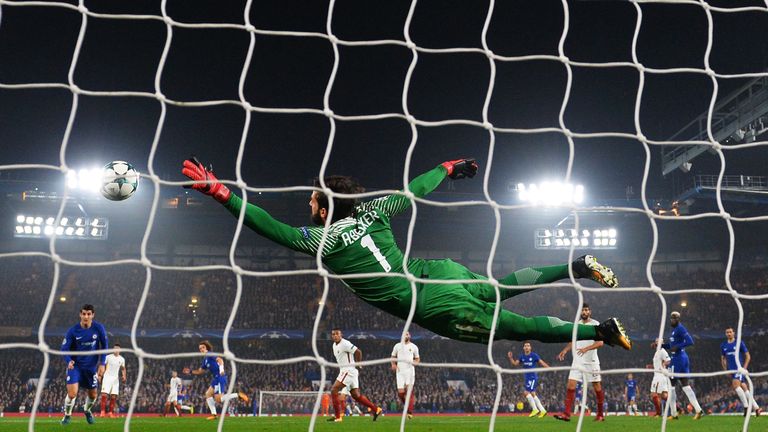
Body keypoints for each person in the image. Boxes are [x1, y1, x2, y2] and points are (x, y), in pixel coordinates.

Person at [181, 157, 631, 348]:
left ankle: (600, 331)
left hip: (427, 302)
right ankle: (574, 265)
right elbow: (413, 190)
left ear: (323, 211)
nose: (308, 205)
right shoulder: (375, 211)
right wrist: (448, 168)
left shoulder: (325, 240)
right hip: (438, 271)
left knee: (515, 328)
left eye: (312, 201)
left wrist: (223, 193)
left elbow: (269, 226)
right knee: (498, 289)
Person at [554, 304, 606, 422]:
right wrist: (565, 350)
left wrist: (586, 349)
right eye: (582, 310)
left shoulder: (596, 324)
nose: (584, 312)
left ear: (590, 312)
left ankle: (600, 414)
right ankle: (567, 414)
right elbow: (573, 341)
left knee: (597, 387)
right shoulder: (577, 324)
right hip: (577, 360)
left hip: (591, 361)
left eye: (586, 310)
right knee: (571, 385)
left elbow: (600, 343)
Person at [60, 304, 109, 425]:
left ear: (93, 315)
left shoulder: (99, 328)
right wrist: (68, 360)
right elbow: (64, 348)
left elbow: (105, 346)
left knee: (93, 395)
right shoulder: (73, 331)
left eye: (88, 314)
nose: (86, 316)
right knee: (72, 394)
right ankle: (67, 415)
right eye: (84, 314)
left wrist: (102, 363)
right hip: (75, 366)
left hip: (91, 368)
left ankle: (87, 410)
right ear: (80, 314)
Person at [654, 311, 703, 420]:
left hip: (678, 359)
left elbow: (690, 341)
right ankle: (699, 410)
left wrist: (679, 347)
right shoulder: (674, 331)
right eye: (671, 318)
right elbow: (671, 346)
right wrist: (661, 345)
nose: (672, 320)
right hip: (681, 358)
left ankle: (674, 414)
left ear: (678, 319)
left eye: (674, 318)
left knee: (671, 386)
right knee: (685, 385)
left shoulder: (680, 328)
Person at [327, 328, 382, 422]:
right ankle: (376, 409)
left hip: (348, 370)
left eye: (337, 334)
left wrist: (359, 364)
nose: (335, 336)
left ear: (341, 335)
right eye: (333, 334)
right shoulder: (334, 345)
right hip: (347, 371)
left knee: (334, 390)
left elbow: (358, 352)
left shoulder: (345, 343)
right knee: (356, 396)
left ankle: (337, 417)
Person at [190, 340, 249, 420]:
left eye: (203, 347)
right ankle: (214, 415)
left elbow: (220, 360)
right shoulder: (205, 359)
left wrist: (221, 369)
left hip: (220, 377)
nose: (201, 350)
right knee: (208, 394)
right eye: (200, 348)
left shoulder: (210, 354)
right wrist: (190, 371)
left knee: (219, 399)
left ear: (206, 347)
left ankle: (238, 395)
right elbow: (200, 371)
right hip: (216, 378)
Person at [720, 327, 762, 416]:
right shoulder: (723, 345)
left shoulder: (739, 343)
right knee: (744, 387)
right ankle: (757, 408)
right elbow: (723, 358)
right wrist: (725, 369)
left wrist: (744, 368)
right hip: (731, 370)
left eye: (730, 332)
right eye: (727, 332)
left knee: (735, 386)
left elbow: (748, 356)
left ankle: (746, 407)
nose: (729, 334)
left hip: (739, 369)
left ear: (733, 333)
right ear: (725, 334)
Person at [507, 341, 549, 418]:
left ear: (530, 348)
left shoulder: (534, 355)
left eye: (528, 346)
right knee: (533, 394)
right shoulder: (521, 356)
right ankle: (543, 410)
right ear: (523, 348)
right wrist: (510, 358)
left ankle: (535, 409)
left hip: (532, 377)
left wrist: (549, 368)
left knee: (526, 392)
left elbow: (541, 362)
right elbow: (515, 364)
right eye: (525, 346)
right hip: (527, 377)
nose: (526, 347)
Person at [391, 331, 420, 419]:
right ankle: (408, 408)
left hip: (409, 371)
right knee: (401, 393)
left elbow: (417, 358)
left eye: (407, 334)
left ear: (410, 336)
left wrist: (415, 363)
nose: (406, 336)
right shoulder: (397, 346)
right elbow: (393, 356)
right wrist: (393, 364)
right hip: (400, 372)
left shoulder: (414, 347)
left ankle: (410, 412)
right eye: (404, 334)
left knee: (409, 390)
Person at [99, 343, 126, 418]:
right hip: (107, 377)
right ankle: (102, 412)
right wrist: (100, 375)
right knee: (104, 394)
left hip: (115, 379)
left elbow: (123, 368)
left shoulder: (122, 359)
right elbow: (102, 365)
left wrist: (124, 376)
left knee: (113, 396)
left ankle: (110, 413)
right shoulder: (108, 357)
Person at [647, 340, 671, 417]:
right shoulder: (657, 352)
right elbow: (657, 365)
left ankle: (658, 413)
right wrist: (651, 366)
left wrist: (663, 364)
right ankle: (678, 408)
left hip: (660, 376)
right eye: (656, 341)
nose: (656, 342)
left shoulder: (662, 351)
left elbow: (668, 360)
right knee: (664, 396)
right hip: (657, 375)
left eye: (657, 341)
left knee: (654, 394)